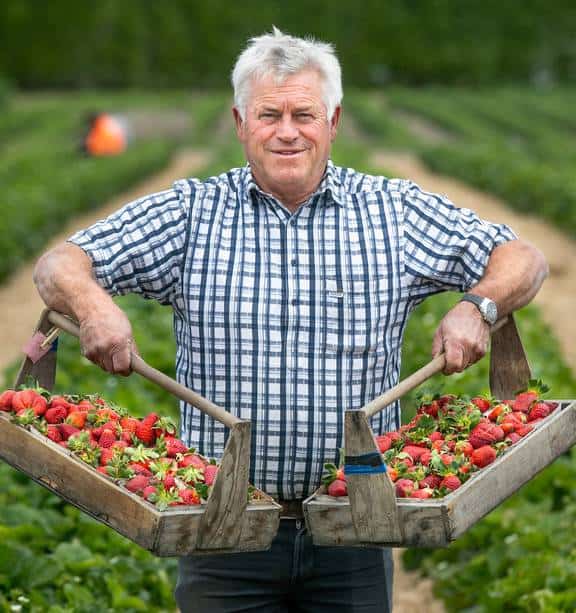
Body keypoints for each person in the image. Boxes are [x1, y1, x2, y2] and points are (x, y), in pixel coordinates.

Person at [34, 28, 547, 613]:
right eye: (268, 114)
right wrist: (95, 304)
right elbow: (60, 264)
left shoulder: (394, 213)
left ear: (333, 122)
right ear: (239, 122)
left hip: (354, 527)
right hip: (221, 530)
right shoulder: (189, 214)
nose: (286, 131)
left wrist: (476, 306)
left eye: (304, 113)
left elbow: (522, 259)